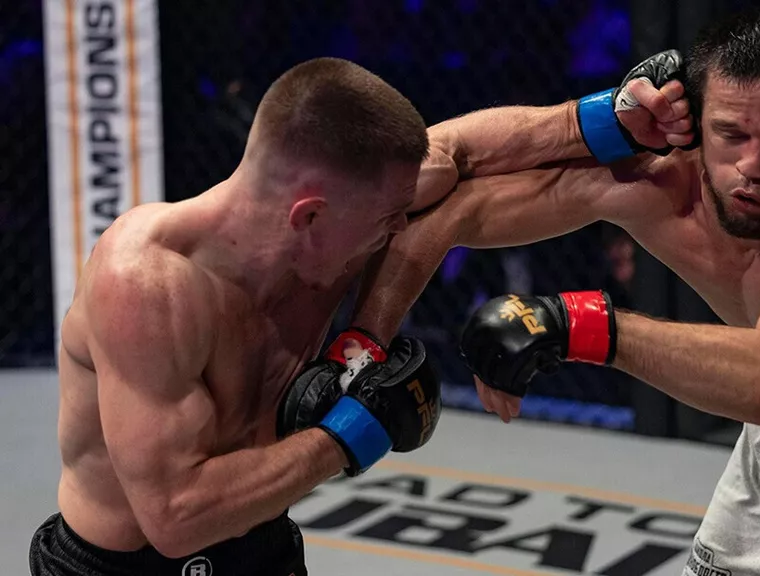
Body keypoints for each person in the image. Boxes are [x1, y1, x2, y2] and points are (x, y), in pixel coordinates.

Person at [349, 5, 760, 575]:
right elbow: (447, 202)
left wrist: (581, 326)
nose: (754, 166)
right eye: (731, 134)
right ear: (695, 125)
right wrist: (361, 345)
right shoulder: (657, 187)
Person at [29, 57, 449, 576]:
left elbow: (467, 165)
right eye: (388, 217)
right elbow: (175, 519)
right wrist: (353, 429)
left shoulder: (333, 233)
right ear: (310, 215)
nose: (399, 227)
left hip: (262, 547)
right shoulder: (146, 285)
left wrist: (574, 127)